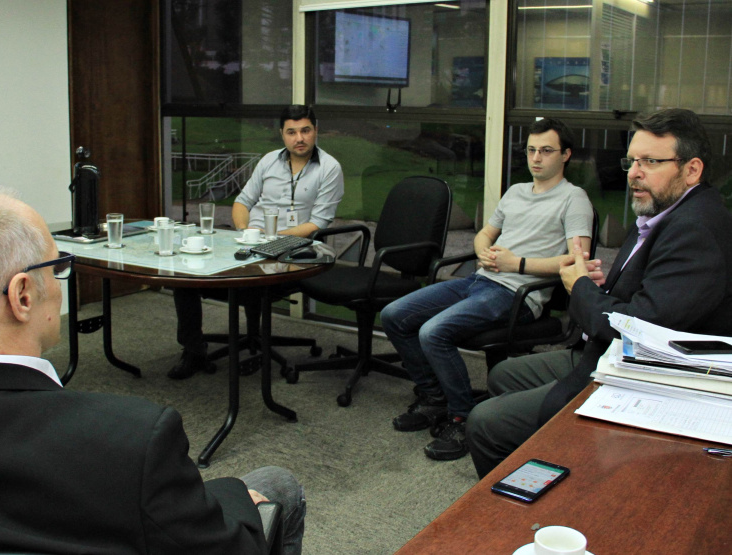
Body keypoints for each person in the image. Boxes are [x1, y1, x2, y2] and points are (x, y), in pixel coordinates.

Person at [0, 186, 306, 554]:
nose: (59, 283)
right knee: (274, 484)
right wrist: (238, 496)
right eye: (57, 267)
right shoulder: (133, 439)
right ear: (23, 296)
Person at [467, 108, 732, 478]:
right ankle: (543, 459)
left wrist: (579, 288)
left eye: (650, 162)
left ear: (692, 170)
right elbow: (647, 293)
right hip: (603, 348)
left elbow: (641, 329)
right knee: (503, 375)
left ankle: (540, 494)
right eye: (632, 161)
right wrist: (598, 287)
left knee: (484, 422)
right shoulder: (661, 212)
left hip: (641, 376)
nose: (634, 173)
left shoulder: (695, 231)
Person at [380, 118, 595, 462]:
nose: (536, 158)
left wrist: (516, 264)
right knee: (394, 315)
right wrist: (483, 251)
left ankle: (462, 417)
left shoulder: (574, 198)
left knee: (433, 332)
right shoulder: (516, 192)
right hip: (479, 281)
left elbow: (576, 261)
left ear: (566, 155)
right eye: (531, 150)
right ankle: (434, 398)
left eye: (546, 151)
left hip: (518, 294)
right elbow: (485, 234)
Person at [169, 104, 344, 379]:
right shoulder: (269, 160)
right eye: (292, 132)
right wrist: (244, 230)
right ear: (282, 134)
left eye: (305, 130)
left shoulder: (330, 168)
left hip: (292, 252)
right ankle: (193, 351)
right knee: (186, 277)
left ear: (316, 131)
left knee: (247, 283)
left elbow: (318, 223)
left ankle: (253, 339)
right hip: (249, 241)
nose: (299, 138)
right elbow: (243, 201)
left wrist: (271, 240)